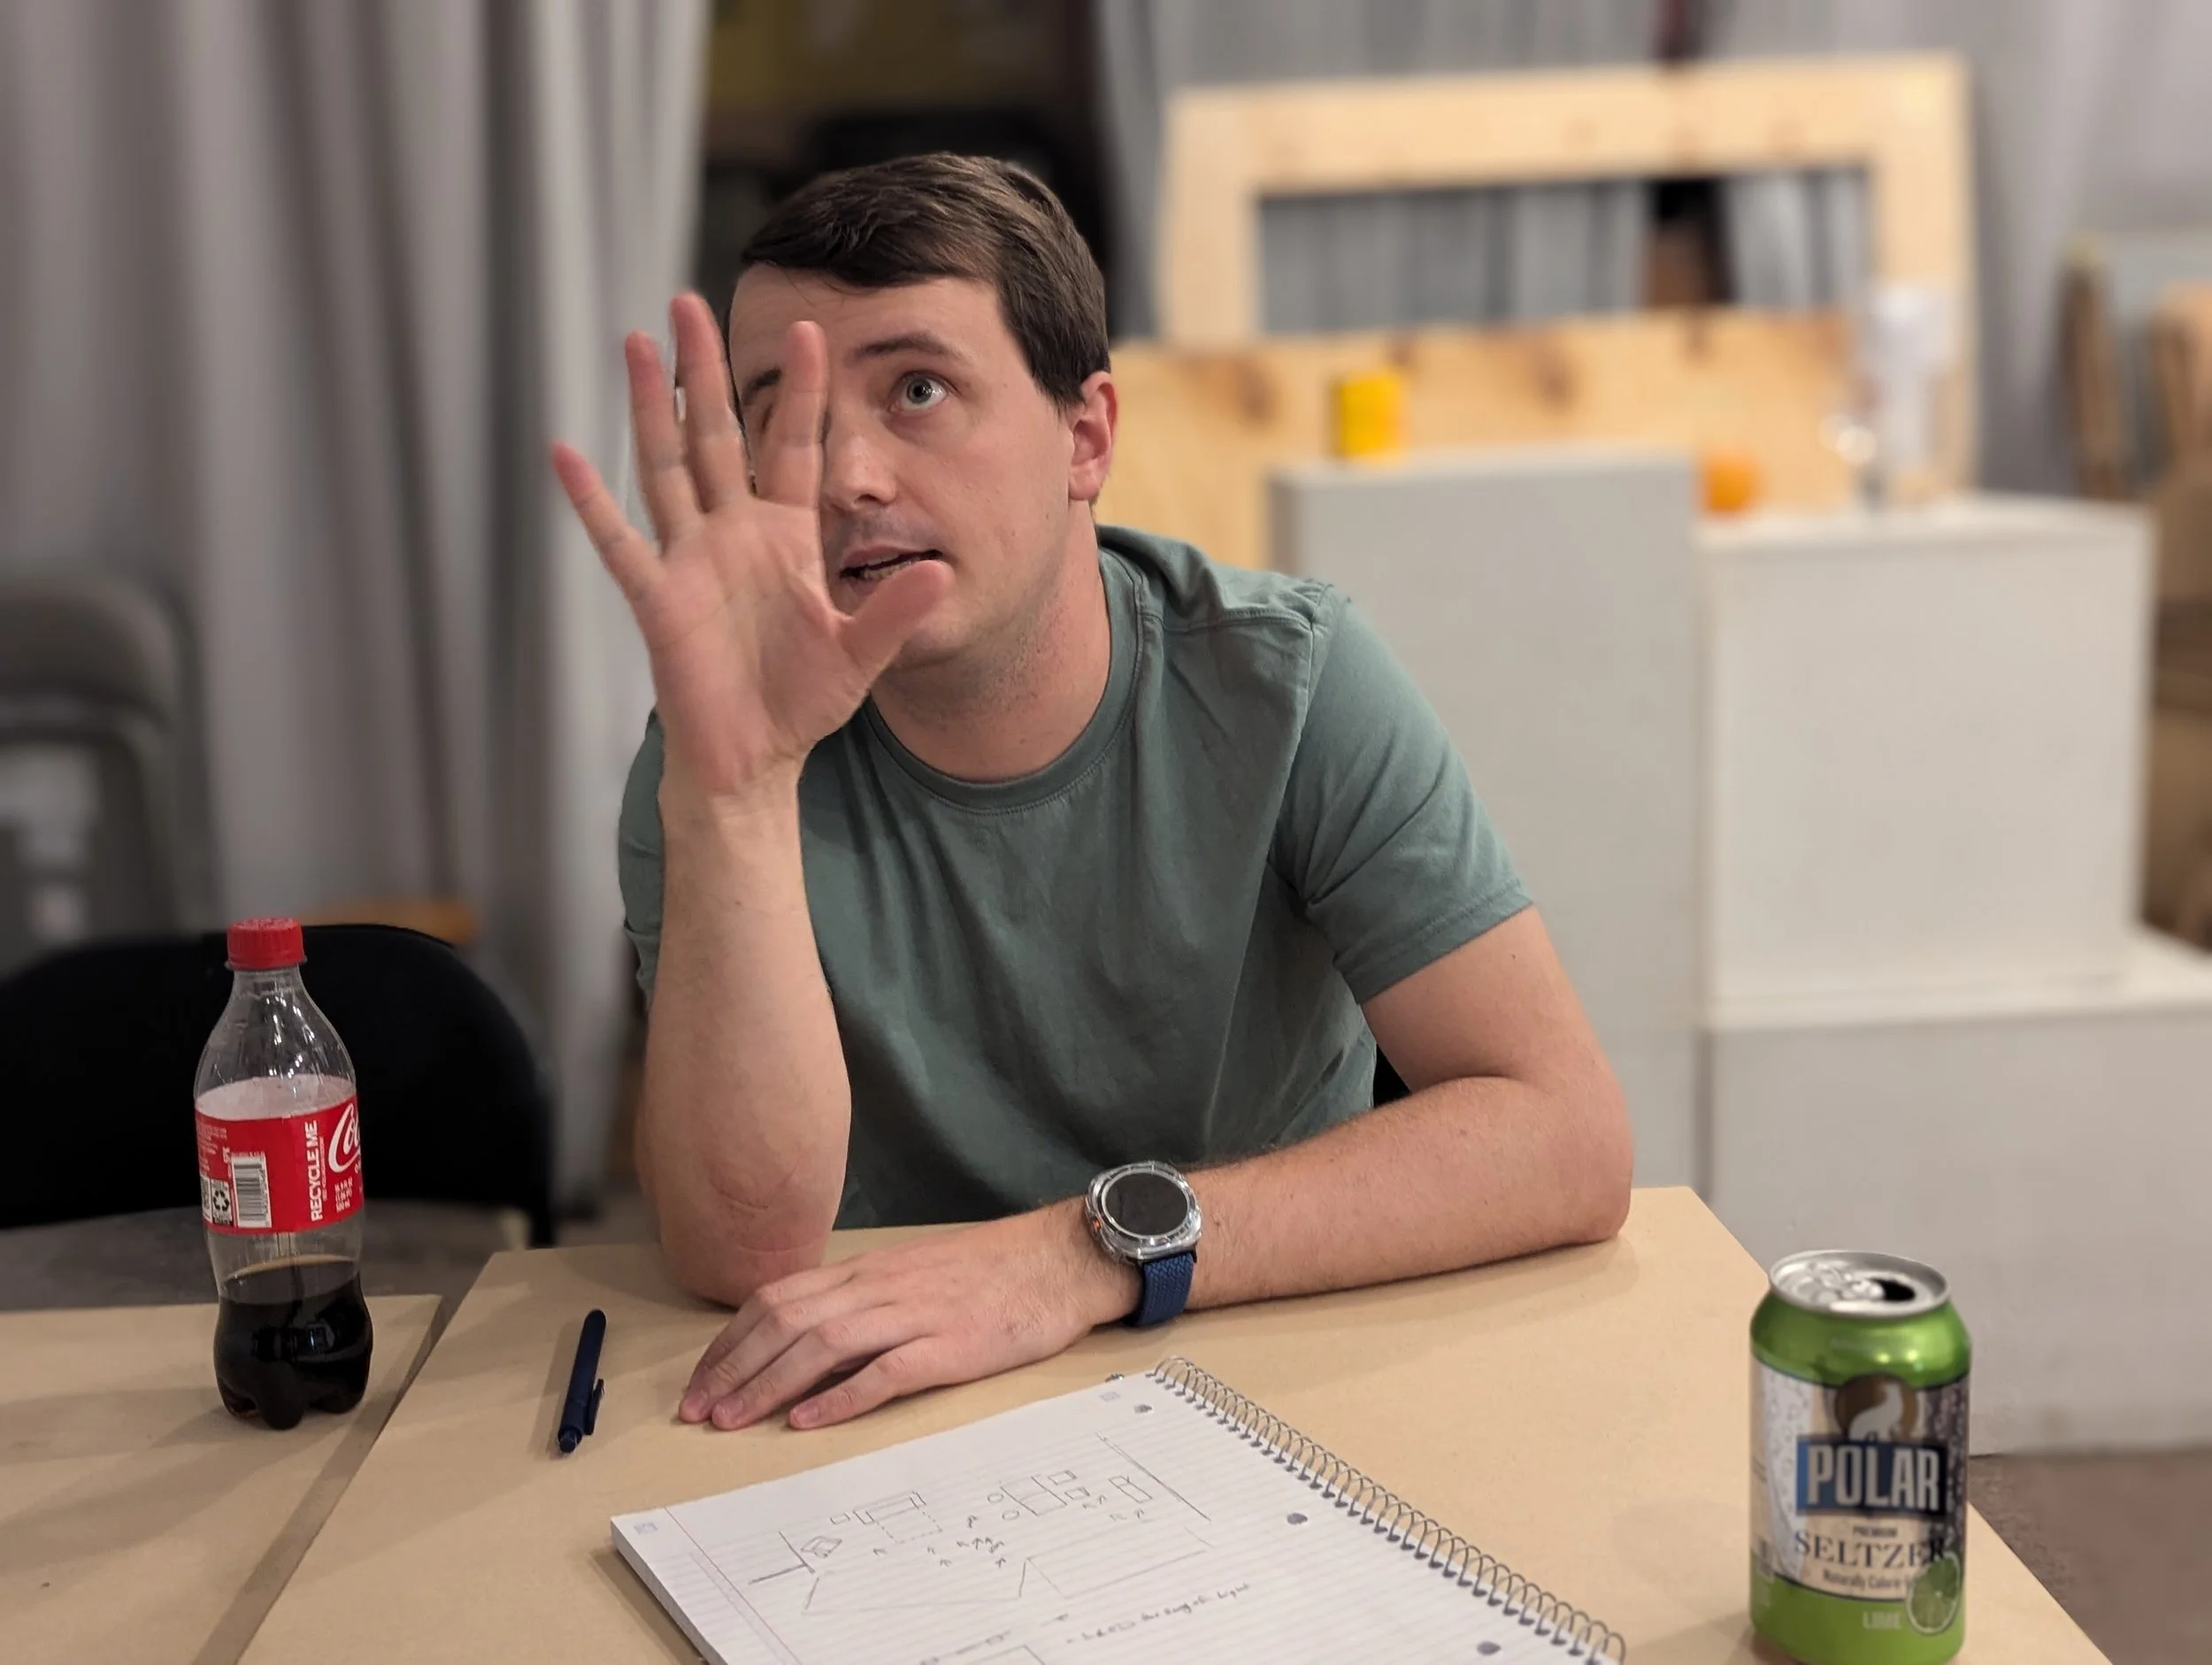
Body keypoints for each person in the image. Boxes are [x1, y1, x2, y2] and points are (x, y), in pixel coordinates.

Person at [551, 154, 1631, 1436]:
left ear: (1088, 436)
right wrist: (736, 795)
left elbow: (1564, 1134)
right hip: (893, 1421)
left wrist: (1075, 1253)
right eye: (785, 410)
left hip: (1276, 1372)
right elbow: (741, 1254)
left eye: (918, 390)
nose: (845, 478)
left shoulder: (1289, 681)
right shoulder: (716, 756)